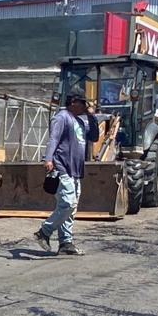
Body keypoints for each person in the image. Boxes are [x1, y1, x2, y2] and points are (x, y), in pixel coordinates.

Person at [34, 93, 99, 256]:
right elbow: (54, 139)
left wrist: (92, 116)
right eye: (82, 103)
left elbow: (95, 137)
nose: (85, 106)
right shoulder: (62, 117)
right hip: (62, 166)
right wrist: (48, 158)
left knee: (72, 207)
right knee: (68, 204)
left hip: (76, 170)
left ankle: (66, 243)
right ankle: (44, 232)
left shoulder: (81, 121)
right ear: (73, 102)